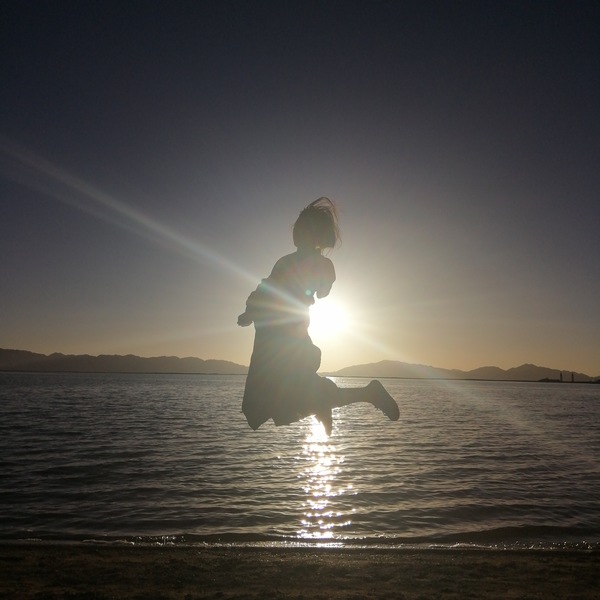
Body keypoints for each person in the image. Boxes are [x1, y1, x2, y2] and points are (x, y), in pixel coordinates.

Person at [238, 198, 399, 435]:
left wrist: (251, 311)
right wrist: (250, 312)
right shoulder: (307, 263)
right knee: (266, 406)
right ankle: (330, 401)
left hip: (284, 337)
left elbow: (278, 289)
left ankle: (360, 395)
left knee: (274, 402)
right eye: (298, 230)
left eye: (303, 230)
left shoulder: (312, 264)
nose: (298, 234)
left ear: (314, 236)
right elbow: (270, 289)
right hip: (271, 335)